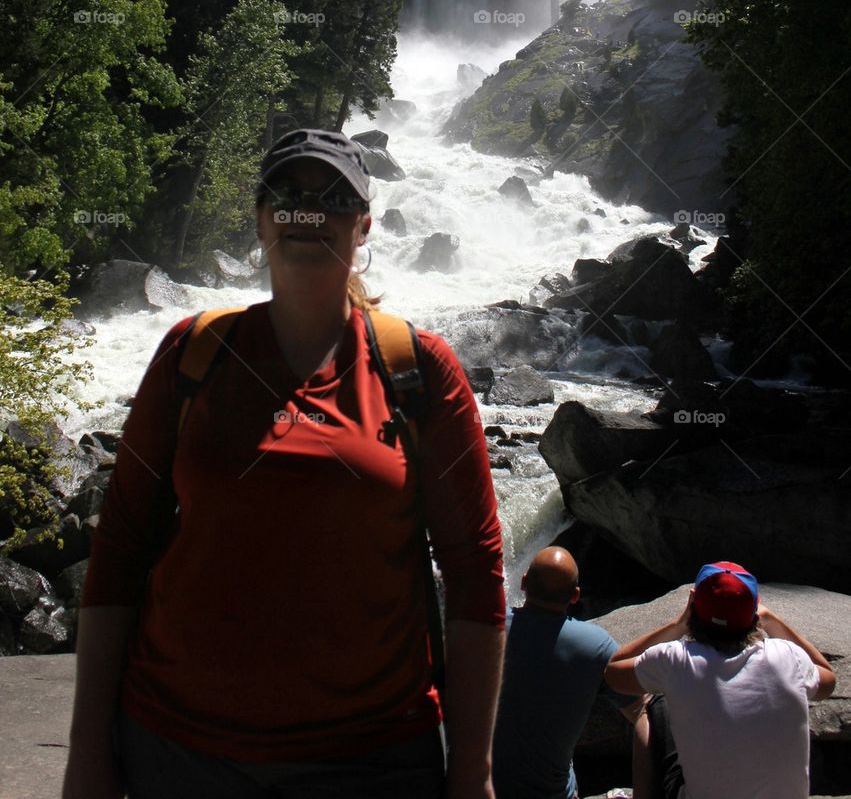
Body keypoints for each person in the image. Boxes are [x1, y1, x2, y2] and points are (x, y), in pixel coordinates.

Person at [63, 128, 506, 799]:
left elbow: (475, 570)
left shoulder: (418, 371)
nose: (307, 211)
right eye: (287, 194)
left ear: (362, 226)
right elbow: (121, 547)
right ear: (261, 218)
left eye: (331, 198)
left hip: (370, 758)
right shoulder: (193, 354)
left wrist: (473, 769)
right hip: (178, 747)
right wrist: (87, 753)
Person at [605, 560, 836, 799]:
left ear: (693, 604)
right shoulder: (789, 657)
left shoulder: (674, 659)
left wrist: (677, 625)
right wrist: (772, 620)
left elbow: (614, 673)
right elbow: (827, 680)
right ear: (755, 610)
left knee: (653, 707)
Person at [492, 546, 643, 799]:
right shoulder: (595, 646)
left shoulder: (487, 628)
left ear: (523, 582)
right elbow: (640, 712)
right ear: (575, 596)